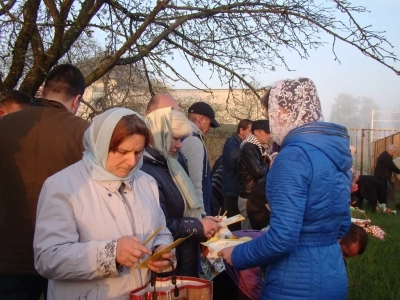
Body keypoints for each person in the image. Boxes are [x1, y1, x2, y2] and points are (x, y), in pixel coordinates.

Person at [219, 77, 352, 299]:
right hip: (333, 272)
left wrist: (237, 254)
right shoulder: (335, 154)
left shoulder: (293, 156)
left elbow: (283, 239)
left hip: (295, 281)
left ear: (281, 110)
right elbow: (342, 225)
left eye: (271, 114)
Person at [33, 108, 174, 299]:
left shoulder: (146, 182)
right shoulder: (63, 186)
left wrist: (162, 250)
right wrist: (111, 253)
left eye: (138, 152)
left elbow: (161, 231)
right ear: (100, 145)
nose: (132, 161)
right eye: (122, 151)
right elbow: (48, 258)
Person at [0, 64, 89, 299]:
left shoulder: (5, 126)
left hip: (8, 252)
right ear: (77, 99)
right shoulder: (84, 133)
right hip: (63, 250)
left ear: (43, 91)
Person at [141, 107, 221, 276]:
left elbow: (180, 208)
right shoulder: (147, 172)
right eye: (175, 138)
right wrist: (197, 225)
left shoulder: (170, 164)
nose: (179, 145)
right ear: (159, 136)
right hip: (167, 265)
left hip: (181, 259)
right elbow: (160, 225)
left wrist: (201, 219)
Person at [181, 102, 220, 215]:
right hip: (196, 212)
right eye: (210, 123)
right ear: (201, 119)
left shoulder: (184, 137)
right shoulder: (193, 141)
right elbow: (195, 182)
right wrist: (201, 213)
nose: (210, 128)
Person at [237, 119, 271, 229]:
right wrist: (268, 163)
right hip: (248, 198)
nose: (269, 136)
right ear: (256, 132)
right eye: (266, 132)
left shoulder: (256, 147)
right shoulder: (249, 147)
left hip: (253, 197)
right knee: (248, 234)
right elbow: (258, 172)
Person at [145, 93, 188, 174]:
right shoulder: (138, 161)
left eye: (177, 114)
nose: (175, 118)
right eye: (168, 113)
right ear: (149, 115)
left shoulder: (178, 157)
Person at [222, 119, 252, 230]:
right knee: (233, 226)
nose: (252, 133)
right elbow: (235, 162)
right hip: (232, 191)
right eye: (250, 130)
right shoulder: (232, 142)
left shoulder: (244, 144)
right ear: (241, 130)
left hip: (238, 190)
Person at [373, 144, 400, 212]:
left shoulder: (384, 155)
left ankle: (382, 204)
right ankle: (383, 204)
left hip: (381, 175)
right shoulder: (386, 156)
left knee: (387, 189)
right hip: (382, 176)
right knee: (387, 189)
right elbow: (392, 166)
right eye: (393, 152)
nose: (393, 153)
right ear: (390, 150)